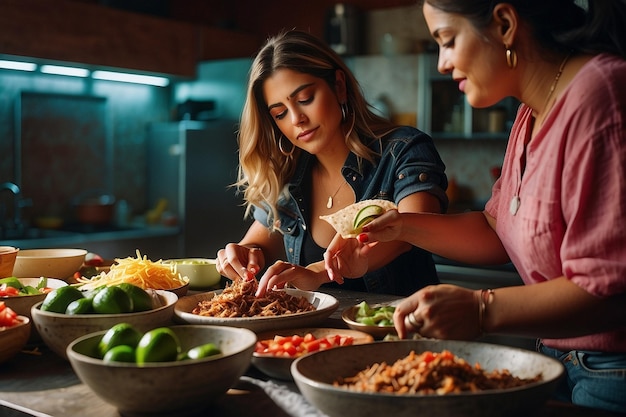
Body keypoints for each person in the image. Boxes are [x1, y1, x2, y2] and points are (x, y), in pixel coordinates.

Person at [324, 0, 626, 412]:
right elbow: (495, 228)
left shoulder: (602, 96)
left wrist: (481, 309)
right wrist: (398, 226)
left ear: (503, 24)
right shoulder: (531, 112)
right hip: (557, 359)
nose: (443, 64)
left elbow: (607, 292)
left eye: (447, 41)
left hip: (614, 369)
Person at [215, 30, 448, 297]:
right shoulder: (289, 172)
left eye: (305, 100)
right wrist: (245, 254)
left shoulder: (404, 150)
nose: (296, 119)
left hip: (400, 332)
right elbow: (260, 241)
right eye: (280, 114)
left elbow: (409, 230)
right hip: (317, 337)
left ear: (338, 85)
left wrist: (318, 272)